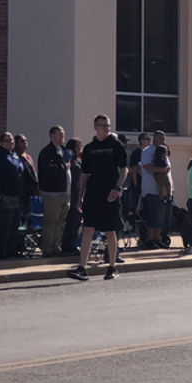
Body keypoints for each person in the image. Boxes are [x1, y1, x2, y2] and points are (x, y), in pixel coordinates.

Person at [68, 115, 129, 281]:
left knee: (110, 230)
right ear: (95, 127)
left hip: (110, 193)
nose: (106, 128)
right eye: (103, 126)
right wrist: (81, 197)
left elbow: (124, 169)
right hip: (92, 194)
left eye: (108, 126)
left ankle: (112, 267)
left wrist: (117, 188)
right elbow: (85, 174)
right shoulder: (89, 148)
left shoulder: (116, 145)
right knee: (88, 228)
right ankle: (82, 268)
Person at [37, 126, 73, 258]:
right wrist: (63, 166)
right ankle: (46, 248)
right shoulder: (47, 152)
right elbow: (47, 171)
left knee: (60, 222)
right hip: (53, 194)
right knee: (50, 222)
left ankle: (55, 246)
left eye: (63, 134)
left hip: (65, 193)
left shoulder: (64, 151)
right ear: (52, 136)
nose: (62, 136)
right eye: (59, 134)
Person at [0, 132, 24, 259]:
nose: (11, 143)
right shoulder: (0, 156)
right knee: (4, 225)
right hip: (5, 195)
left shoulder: (14, 155)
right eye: (8, 141)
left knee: (14, 224)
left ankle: (11, 249)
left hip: (16, 195)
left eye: (12, 141)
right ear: (1, 142)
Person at [138, 131, 173, 252]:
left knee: (162, 217)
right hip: (152, 190)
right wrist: (161, 170)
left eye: (164, 139)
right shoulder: (148, 151)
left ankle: (158, 239)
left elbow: (168, 167)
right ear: (154, 139)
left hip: (164, 191)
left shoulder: (164, 151)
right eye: (160, 139)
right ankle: (150, 240)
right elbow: (146, 166)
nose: (162, 141)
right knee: (154, 216)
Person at [62, 138, 84, 255]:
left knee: (76, 222)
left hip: (78, 196)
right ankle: (68, 246)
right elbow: (79, 181)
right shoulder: (74, 165)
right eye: (78, 146)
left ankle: (70, 245)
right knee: (73, 222)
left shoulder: (78, 162)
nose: (80, 149)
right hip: (75, 196)